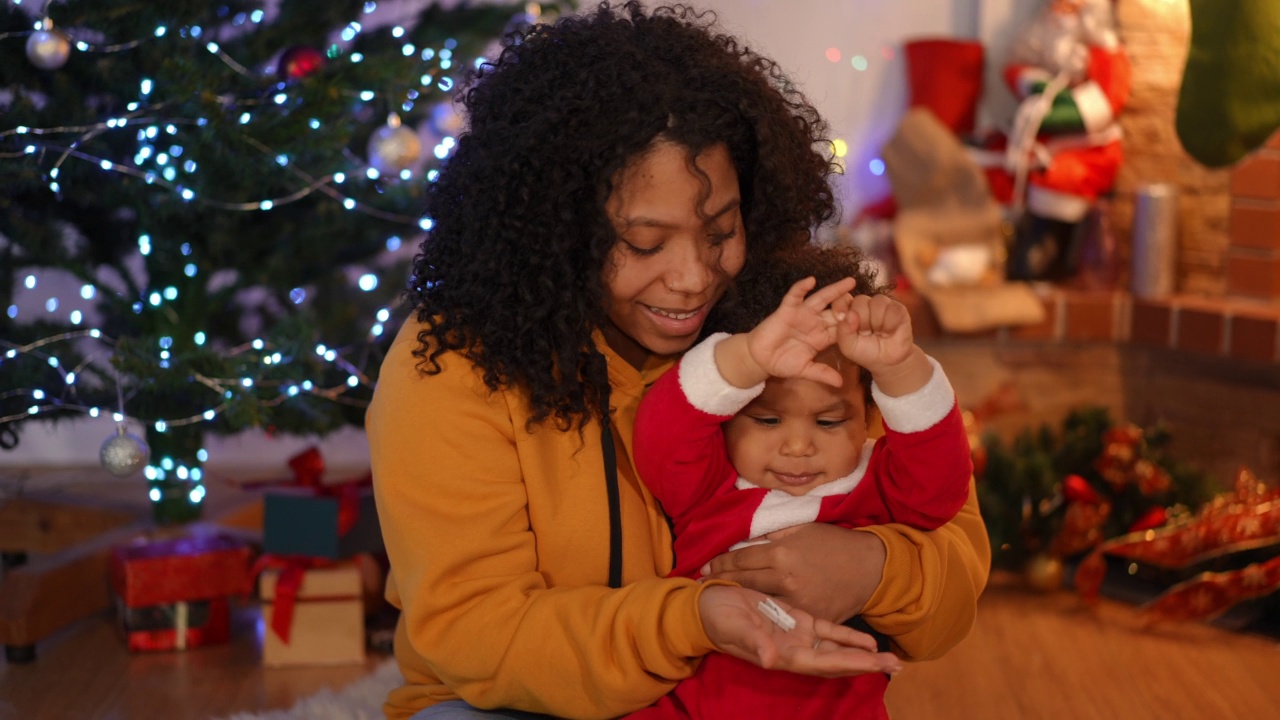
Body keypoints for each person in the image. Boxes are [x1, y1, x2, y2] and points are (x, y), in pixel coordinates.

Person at [365, 3, 991, 719]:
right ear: (557, 228)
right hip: (508, 704)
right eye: (644, 243)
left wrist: (876, 570)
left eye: (720, 230)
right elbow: (476, 635)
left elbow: (952, 571)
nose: (694, 277)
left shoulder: (790, 322)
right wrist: (693, 618)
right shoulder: (452, 367)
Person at [629, 245, 972, 718]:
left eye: (828, 423)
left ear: (870, 416)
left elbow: (941, 490)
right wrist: (746, 357)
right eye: (767, 421)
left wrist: (900, 370)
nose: (796, 447)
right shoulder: (711, 482)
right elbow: (661, 435)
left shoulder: (875, 483)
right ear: (728, 415)